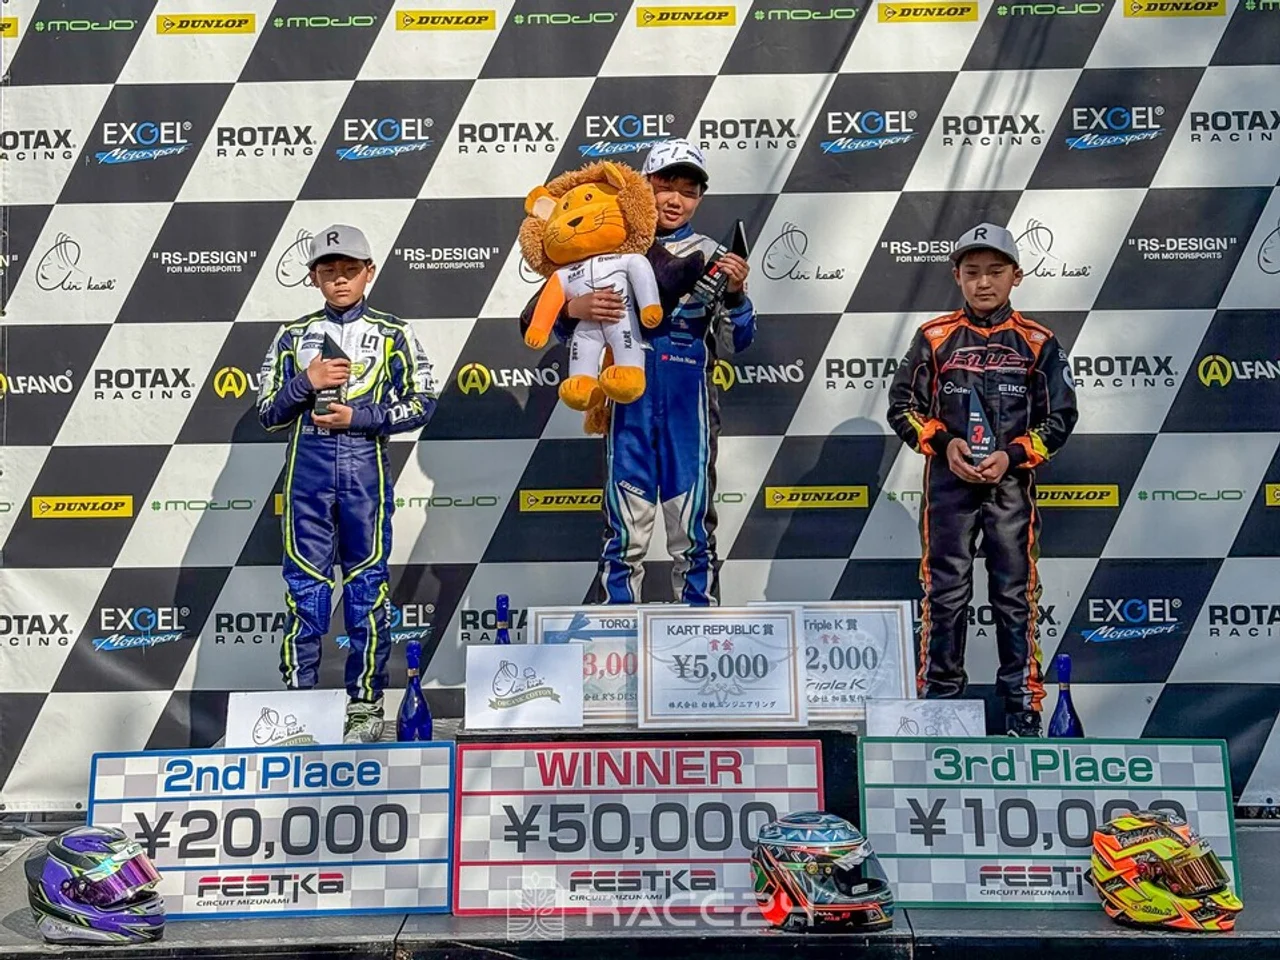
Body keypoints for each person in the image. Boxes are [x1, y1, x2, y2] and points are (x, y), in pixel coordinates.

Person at [521, 140, 757, 605]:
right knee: (625, 524)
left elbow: (737, 342)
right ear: (642, 186)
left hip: (688, 403)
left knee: (691, 523)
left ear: (700, 198)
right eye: (665, 186)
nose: (675, 200)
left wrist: (735, 294)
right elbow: (534, 320)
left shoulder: (713, 254)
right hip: (627, 400)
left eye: (688, 191)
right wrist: (575, 308)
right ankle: (616, 621)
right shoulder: (608, 239)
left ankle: (699, 620)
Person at [887, 223, 1078, 737]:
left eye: (995, 271)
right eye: (972, 272)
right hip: (948, 487)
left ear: (1017, 275)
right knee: (945, 594)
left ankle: (1023, 710)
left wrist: (1012, 455)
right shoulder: (934, 337)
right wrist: (943, 443)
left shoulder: (1038, 341)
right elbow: (902, 408)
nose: (984, 282)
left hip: (1010, 487)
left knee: (1014, 596)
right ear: (957, 277)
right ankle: (940, 707)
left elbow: (1060, 418)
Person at [257, 224, 438, 742]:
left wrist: (359, 417)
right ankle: (299, 705)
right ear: (313, 277)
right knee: (305, 590)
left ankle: (365, 704)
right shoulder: (292, 335)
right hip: (307, 476)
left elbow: (423, 402)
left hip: (365, 474)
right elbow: (267, 413)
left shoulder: (394, 333)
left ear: (369, 273)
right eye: (329, 270)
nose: (340, 279)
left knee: (367, 589)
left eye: (350, 269)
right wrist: (306, 382)